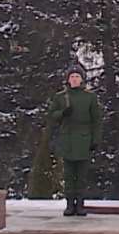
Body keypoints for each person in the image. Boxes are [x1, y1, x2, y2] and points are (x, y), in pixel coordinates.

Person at [44, 66, 102, 217]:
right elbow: (51, 115)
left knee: (81, 175)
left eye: (77, 76)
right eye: (72, 76)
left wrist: (95, 140)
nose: (74, 79)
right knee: (69, 175)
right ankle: (70, 205)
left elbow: (96, 120)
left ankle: (80, 205)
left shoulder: (90, 97)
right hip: (67, 139)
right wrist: (62, 113)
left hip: (84, 139)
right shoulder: (61, 97)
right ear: (68, 79)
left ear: (82, 79)